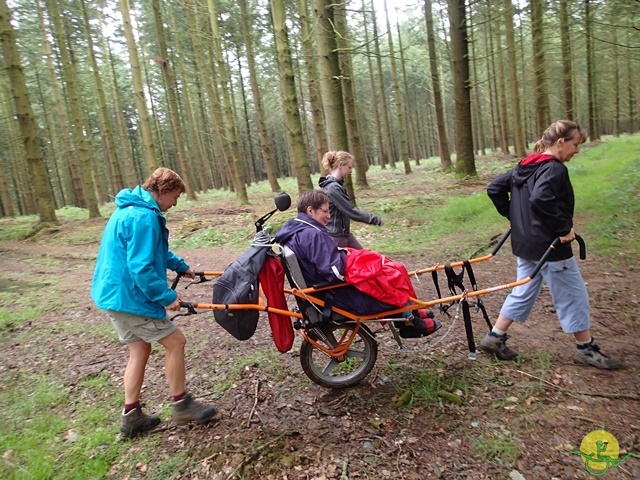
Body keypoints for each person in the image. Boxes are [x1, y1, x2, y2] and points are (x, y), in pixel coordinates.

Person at [481, 120, 623, 370]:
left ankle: (495, 337)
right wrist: (563, 228)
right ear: (560, 142)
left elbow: (495, 189)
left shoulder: (525, 165)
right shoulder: (554, 169)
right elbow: (541, 198)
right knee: (573, 294)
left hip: (525, 243)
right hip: (550, 245)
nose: (577, 150)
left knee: (523, 289)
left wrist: (516, 218)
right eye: (575, 144)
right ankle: (585, 348)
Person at [91, 167, 217, 438]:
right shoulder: (144, 217)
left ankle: (131, 416)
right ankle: (182, 404)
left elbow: (154, 251)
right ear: (162, 191)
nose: (175, 202)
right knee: (176, 342)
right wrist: (167, 297)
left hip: (111, 296)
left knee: (139, 351)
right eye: (175, 196)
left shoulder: (129, 209)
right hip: (129, 298)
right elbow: (142, 268)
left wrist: (179, 266)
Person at [274, 190, 440, 338]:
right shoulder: (311, 235)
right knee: (386, 276)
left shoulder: (297, 229)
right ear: (310, 210)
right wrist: (354, 265)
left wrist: (347, 255)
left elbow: (325, 260)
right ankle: (407, 321)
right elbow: (334, 272)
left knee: (387, 267)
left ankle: (410, 311)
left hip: (323, 290)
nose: (329, 216)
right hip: (334, 293)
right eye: (325, 211)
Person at [318, 151, 383, 249]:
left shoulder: (337, 186)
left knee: (364, 258)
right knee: (343, 263)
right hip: (335, 237)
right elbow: (350, 211)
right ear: (340, 165)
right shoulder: (333, 188)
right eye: (349, 167)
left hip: (344, 234)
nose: (351, 170)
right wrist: (375, 220)